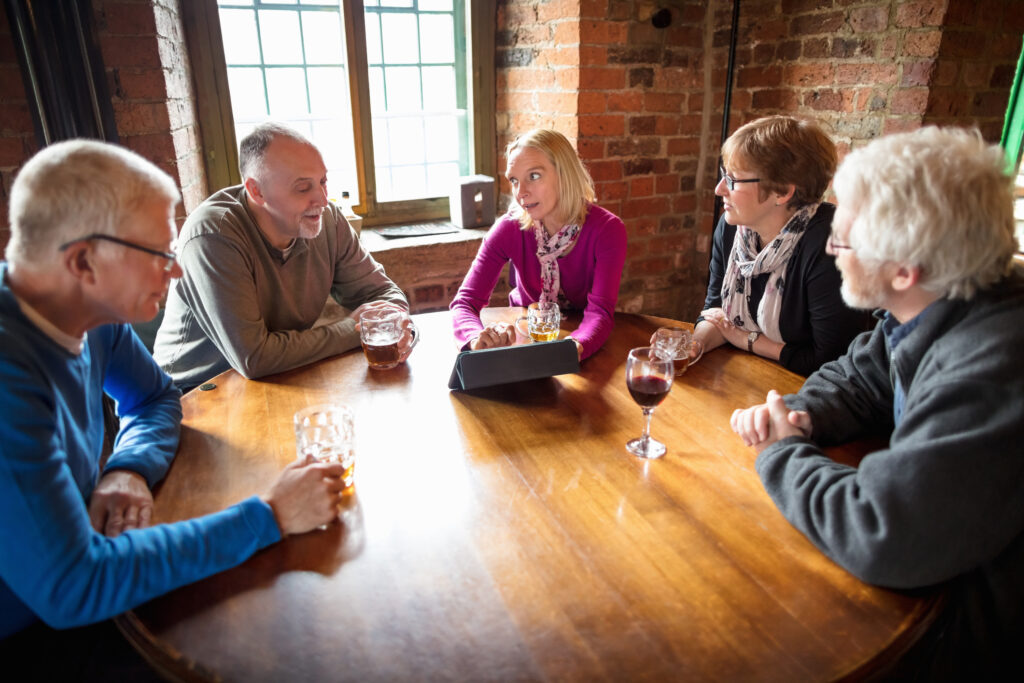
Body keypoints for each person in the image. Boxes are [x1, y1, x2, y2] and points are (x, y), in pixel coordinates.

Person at [0, 140, 347, 671]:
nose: (177, 271)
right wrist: (270, 515)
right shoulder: (9, 375)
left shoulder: (94, 317)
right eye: (160, 254)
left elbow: (156, 396)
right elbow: (73, 585)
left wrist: (129, 468)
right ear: (85, 261)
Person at [729, 126, 1024, 679]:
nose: (831, 251)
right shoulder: (941, 302)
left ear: (905, 270)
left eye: (842, 241)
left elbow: (884, 531)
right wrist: (803, 412)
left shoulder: (994, 364)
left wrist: (782, 451)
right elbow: (860, 376)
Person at [154, 122, 410, 392]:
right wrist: (355, 330)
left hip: (280, 378)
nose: (322, 200)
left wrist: (400, 324)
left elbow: (384, 293)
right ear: (256, 191)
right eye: (303, 188)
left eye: (323, 182)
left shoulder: (328, 220)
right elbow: (255, 358)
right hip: (189, 393)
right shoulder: (212, 236)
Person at [694, 115, 868, 376]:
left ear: (782, 192)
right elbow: (716, 311)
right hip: (752, 378)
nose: (720, 189)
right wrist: (693, 345)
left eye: (733, 179)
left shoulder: (831, 246)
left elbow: (831, 361)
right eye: (723, 175)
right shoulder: (731, 228)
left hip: (811, 394)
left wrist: (747, 340)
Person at [450, 129, 627, 360]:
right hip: (523, 333)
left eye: (533, 176)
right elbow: (464, 303)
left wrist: (571, 348)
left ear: (565, 174)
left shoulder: (608, 230)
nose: (520, 193)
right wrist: (475, 340)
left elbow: (600, 312)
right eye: (514, 180)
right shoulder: (509, 227)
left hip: (582, 340)